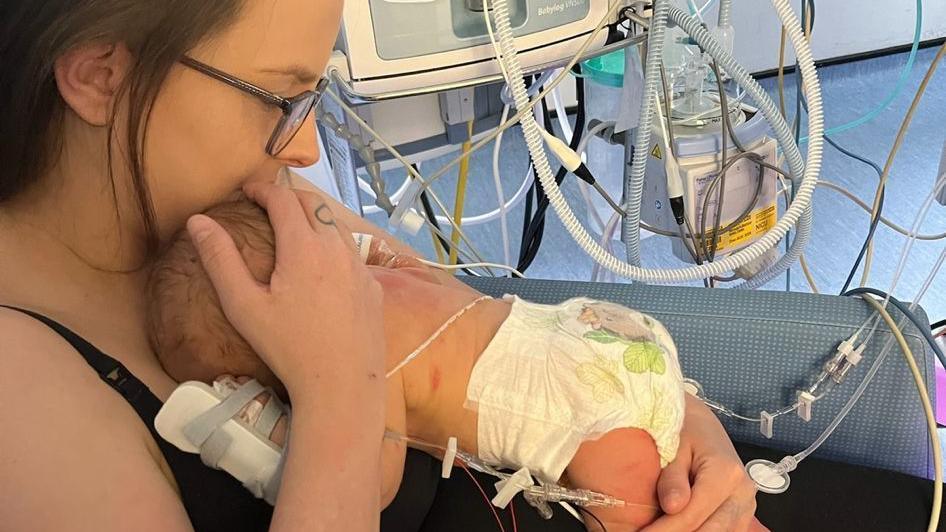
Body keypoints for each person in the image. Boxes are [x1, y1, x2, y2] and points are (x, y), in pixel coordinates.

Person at [0, 0, 761, 530]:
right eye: (279, 97)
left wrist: (681, 427)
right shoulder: (23, 391)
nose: (302, 151)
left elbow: (490, 338)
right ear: (102, 78)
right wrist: (340, 387)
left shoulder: (247, 205)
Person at [147, 198, 695, 531]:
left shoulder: (366, 355)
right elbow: (390, 256)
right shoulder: (383, 270)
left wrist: (310, 416)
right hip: (605, 332)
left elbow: (375, 486)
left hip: (588, 410)